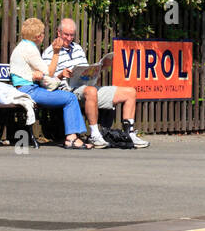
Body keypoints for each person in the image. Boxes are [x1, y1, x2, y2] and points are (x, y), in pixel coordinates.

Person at [40, 18, 148, 148]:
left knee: (130, 92)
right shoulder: (50, 52)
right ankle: (94, 134)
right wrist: (61, 74)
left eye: (72, 35)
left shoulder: (78, 49)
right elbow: (46, 81)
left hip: (85, 86)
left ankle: (129, 133)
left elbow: (86, 74)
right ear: (58, 33)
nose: (69, 38)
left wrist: (100, 68)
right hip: (67, 89)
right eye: (66, 35)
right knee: (91, 91)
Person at [10, 17, 92, 149]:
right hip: (29, 90)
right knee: (70, 98)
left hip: (27, 87)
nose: (44, 36)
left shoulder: (22, 46)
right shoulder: (30, 49)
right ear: (37, 36)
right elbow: (49, 71)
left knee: (67, 97)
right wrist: (56, 53)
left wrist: (35, 74)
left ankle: (73, 137)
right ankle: (71, 138)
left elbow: (29, 71)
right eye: (42, 33)